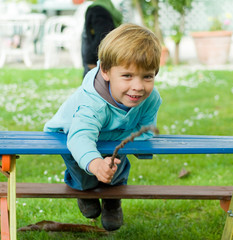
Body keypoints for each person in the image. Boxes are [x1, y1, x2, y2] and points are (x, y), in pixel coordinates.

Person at [44, 23, 162, 231]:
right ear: (106, 71)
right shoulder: (93, 104)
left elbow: (145, 129)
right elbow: (80, 138)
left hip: (116, 136)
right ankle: (84, 191)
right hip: (73, 135)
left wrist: (134, 143)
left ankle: (112, 199)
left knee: (117, 165)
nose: (138, 86)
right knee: (83, 170)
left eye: (147, 76)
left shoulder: (151, 99)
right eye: (127, 75)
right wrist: (96, 164)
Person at [81, 0, 122, 77]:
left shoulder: (98, 10)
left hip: (97, 63)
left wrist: (92, 60)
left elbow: (102, 37)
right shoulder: (107, 5)